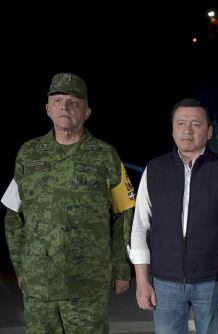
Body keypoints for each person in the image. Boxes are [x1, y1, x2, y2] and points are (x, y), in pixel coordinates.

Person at [1, 72, 136, 332]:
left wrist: (121, 268)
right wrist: (20, 265)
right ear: (47, 109)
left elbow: (125, 213)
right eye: (58, 100)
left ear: (87, 111)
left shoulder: (105, 155)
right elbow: (12, 215)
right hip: (39, 283)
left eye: (74, 101)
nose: (65, 106)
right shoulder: (28, 154)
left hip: (87, 284)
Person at [128, 98, 218, 334]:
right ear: (172, 130)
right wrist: (142, 281)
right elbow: (140, 227)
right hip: (165, 282)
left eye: (196, 124)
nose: (187, 130)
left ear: (209, 131)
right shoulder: (155, 170)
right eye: (181, 123)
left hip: (212, 282)